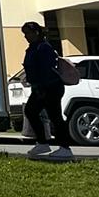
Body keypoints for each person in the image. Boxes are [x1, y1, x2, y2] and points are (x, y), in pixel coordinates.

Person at [21, 21, 74, 160]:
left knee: (54, 116)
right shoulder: (35, 47)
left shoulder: (43, 48)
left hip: (49, 87)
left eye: (28, 33)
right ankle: (43, 143)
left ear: (36, 33)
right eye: (25, 34)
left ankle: (64, 148)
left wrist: (41, 87)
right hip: (41, 87)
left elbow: (45, 69)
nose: (26, 36)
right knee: (32, 112)